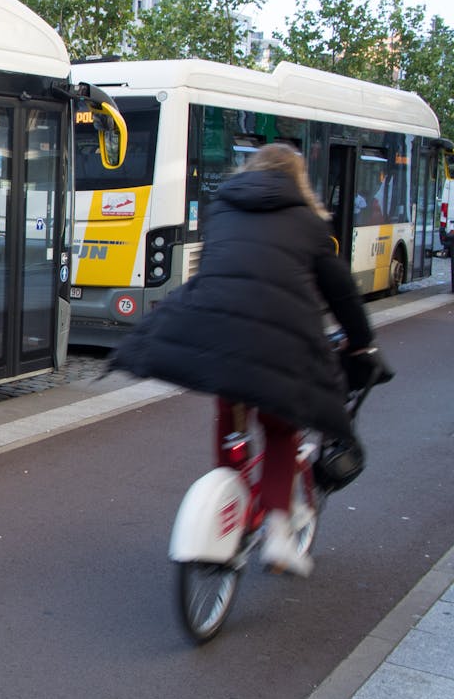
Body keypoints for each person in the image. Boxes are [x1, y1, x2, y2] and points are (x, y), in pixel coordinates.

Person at [109, 143, 388, 576]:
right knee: (280, 429)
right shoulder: (309, 223)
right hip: (282, 344)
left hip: (220, 335)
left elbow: (212, 271)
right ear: (298, 178)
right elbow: (342, 295)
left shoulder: (223, 208)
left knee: (232, 406)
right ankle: (277, 534)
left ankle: (231, 489)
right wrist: (361, 342)